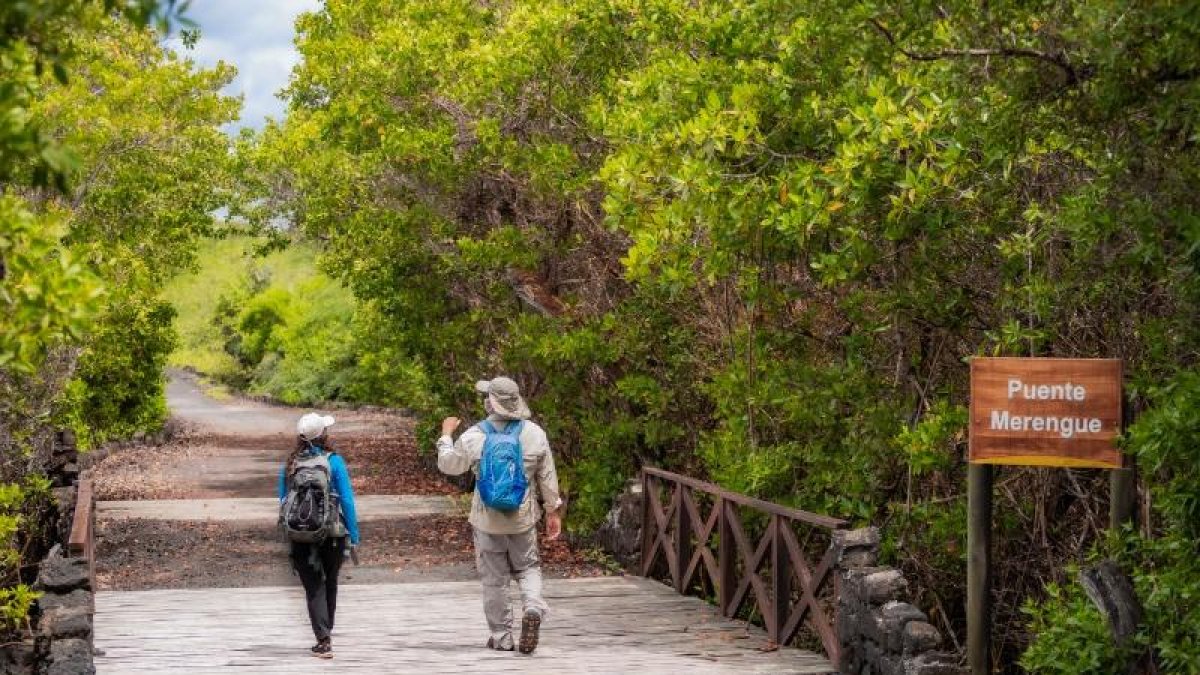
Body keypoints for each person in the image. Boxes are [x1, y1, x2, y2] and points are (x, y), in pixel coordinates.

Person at [437, 376, 562, 655]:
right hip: (523, 516)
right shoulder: (534, 434)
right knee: (528, 566)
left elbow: (448, 465)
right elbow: (547, 478)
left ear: (490, 402)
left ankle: (502, 636)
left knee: (495, 578)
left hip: (487, 519)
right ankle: (532, 605)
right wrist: (553, 510)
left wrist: (446, 435)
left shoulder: (473, 436)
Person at [278, 412, 360, 659]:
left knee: (313, 587)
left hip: (300, 534)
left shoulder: (291, 464)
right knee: (331, 581)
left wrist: (289, 531)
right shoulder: (334, 461)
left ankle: (323, 639)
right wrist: (354, 534)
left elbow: (283, 500)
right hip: (333, 532)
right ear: (324, 434)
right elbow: (347, 500)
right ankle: (327, 632)